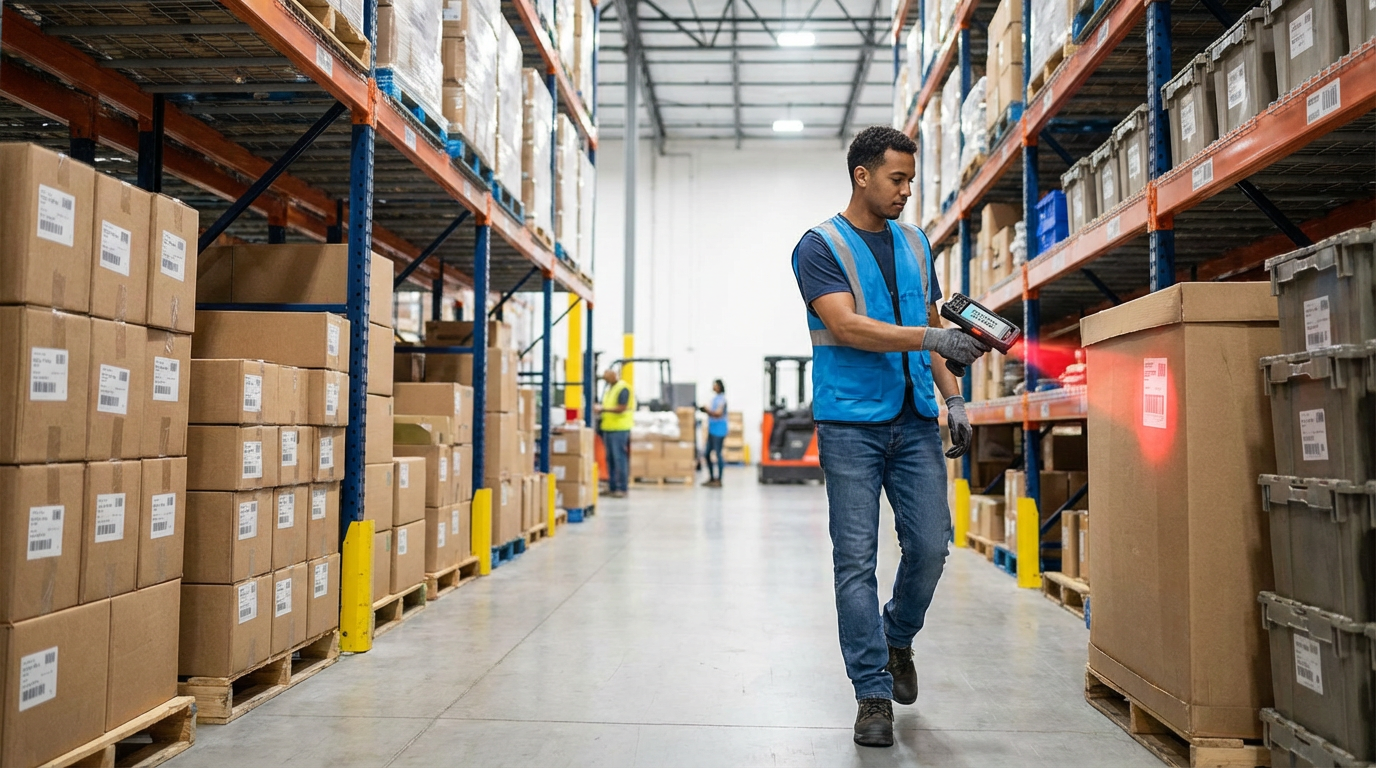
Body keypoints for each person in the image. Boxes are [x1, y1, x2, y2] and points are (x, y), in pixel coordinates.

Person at [790, 126, 990, 748]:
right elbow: (847, 326)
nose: (906, 191)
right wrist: (932, 341)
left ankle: (897, 636)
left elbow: (928, 321)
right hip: (850, 422)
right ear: (861, 176)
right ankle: (872, 693)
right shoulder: (818, 246)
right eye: (896, 179)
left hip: (912, 418)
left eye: (910, 179)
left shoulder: (915, 242)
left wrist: (953, 397)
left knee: (930, 547)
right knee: (856, 563)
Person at [594, 368, 635, 498]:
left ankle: (622, 488)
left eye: (607, 378)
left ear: (614, 376)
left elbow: (621, 408)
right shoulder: (610, 389)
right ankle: (612, 487)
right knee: (610, 459)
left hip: (620, 429)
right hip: (608, 428)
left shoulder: (623, 388)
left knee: (619, 458)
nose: (605, 380)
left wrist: (603, 409)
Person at [699, 380, 728, 487]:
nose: (713, 387)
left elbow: (718, 413)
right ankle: (711, 477)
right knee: (706, 453)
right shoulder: (714, 398)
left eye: (715, 385)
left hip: (719, 430)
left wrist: (707, 411)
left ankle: (719, 479)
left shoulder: (722, 399)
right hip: (712, 430)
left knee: (718, 454)